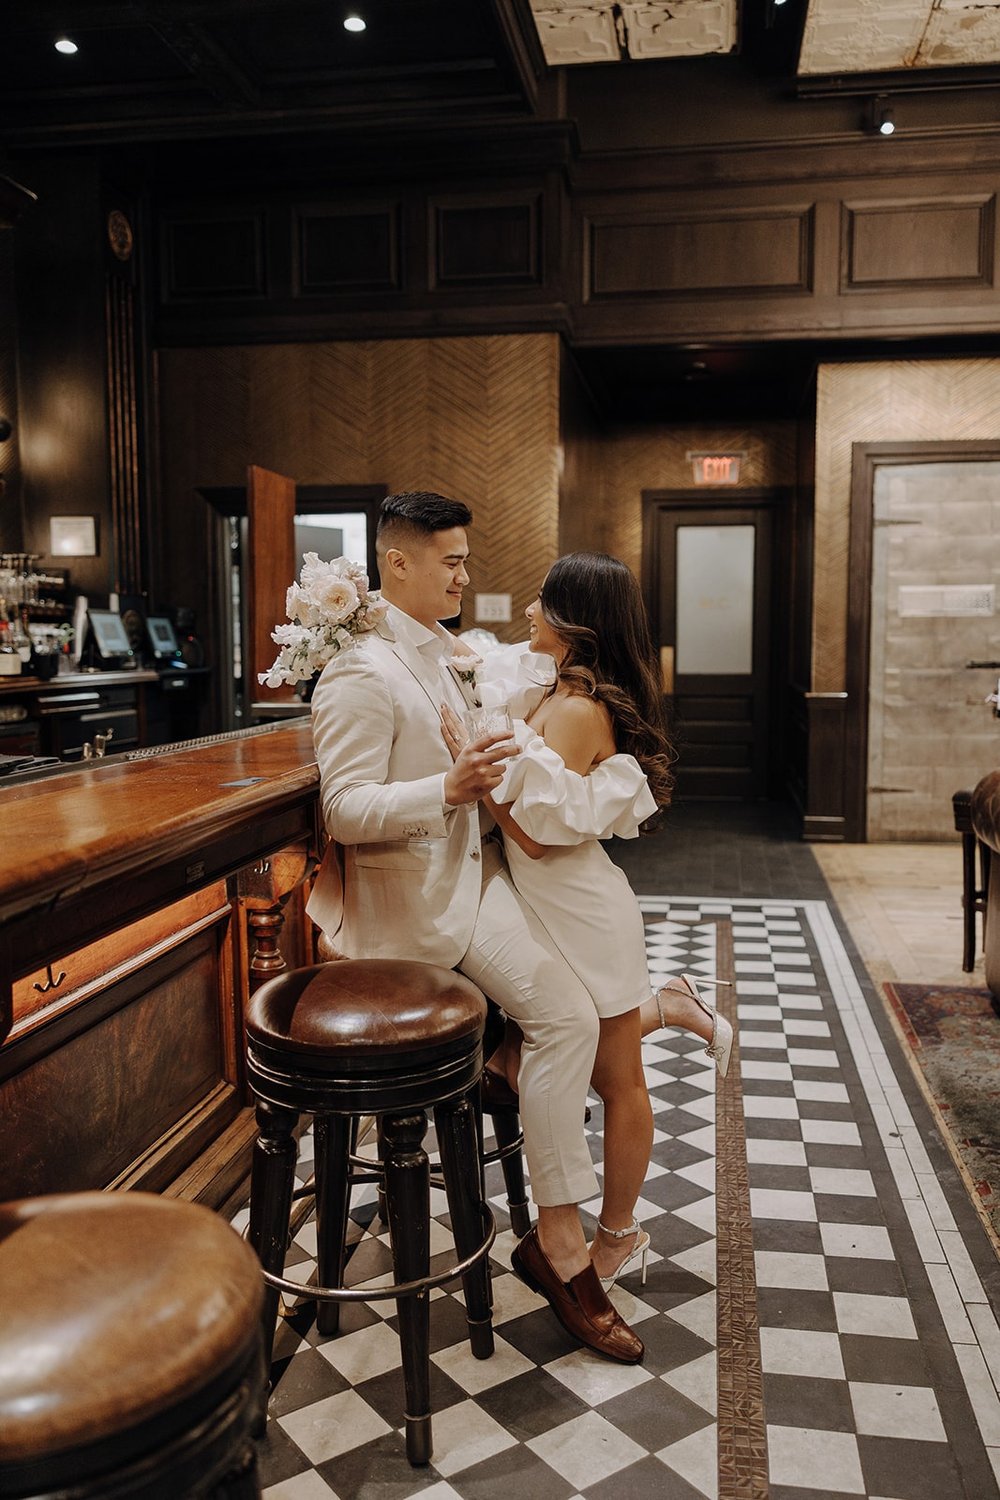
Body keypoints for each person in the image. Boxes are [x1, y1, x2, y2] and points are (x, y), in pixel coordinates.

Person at [308, 493, 644, 1363]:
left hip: (478, 884)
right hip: (415, 906)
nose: (465, 575)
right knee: (568, 1020)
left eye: (465, 558)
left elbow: (538, 675)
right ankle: (564, 1246)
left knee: (572, 1016)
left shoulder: (454, 656)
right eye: (450, 561)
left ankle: (549, 1222)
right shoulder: (359, 670)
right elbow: (342, 810)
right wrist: (447, 791)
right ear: (398, 564)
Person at [440, 551, 733, 1289]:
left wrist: (469, 776)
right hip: (556, 904)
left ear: (574, 621)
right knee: (589, 1045)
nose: (529, 612)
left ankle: (619, 1232)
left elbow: (537, 836)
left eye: (542, 602)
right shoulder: (551, 689)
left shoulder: (574, 710)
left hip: (581, 911)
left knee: (618, 1082)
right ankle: (668, 1003)